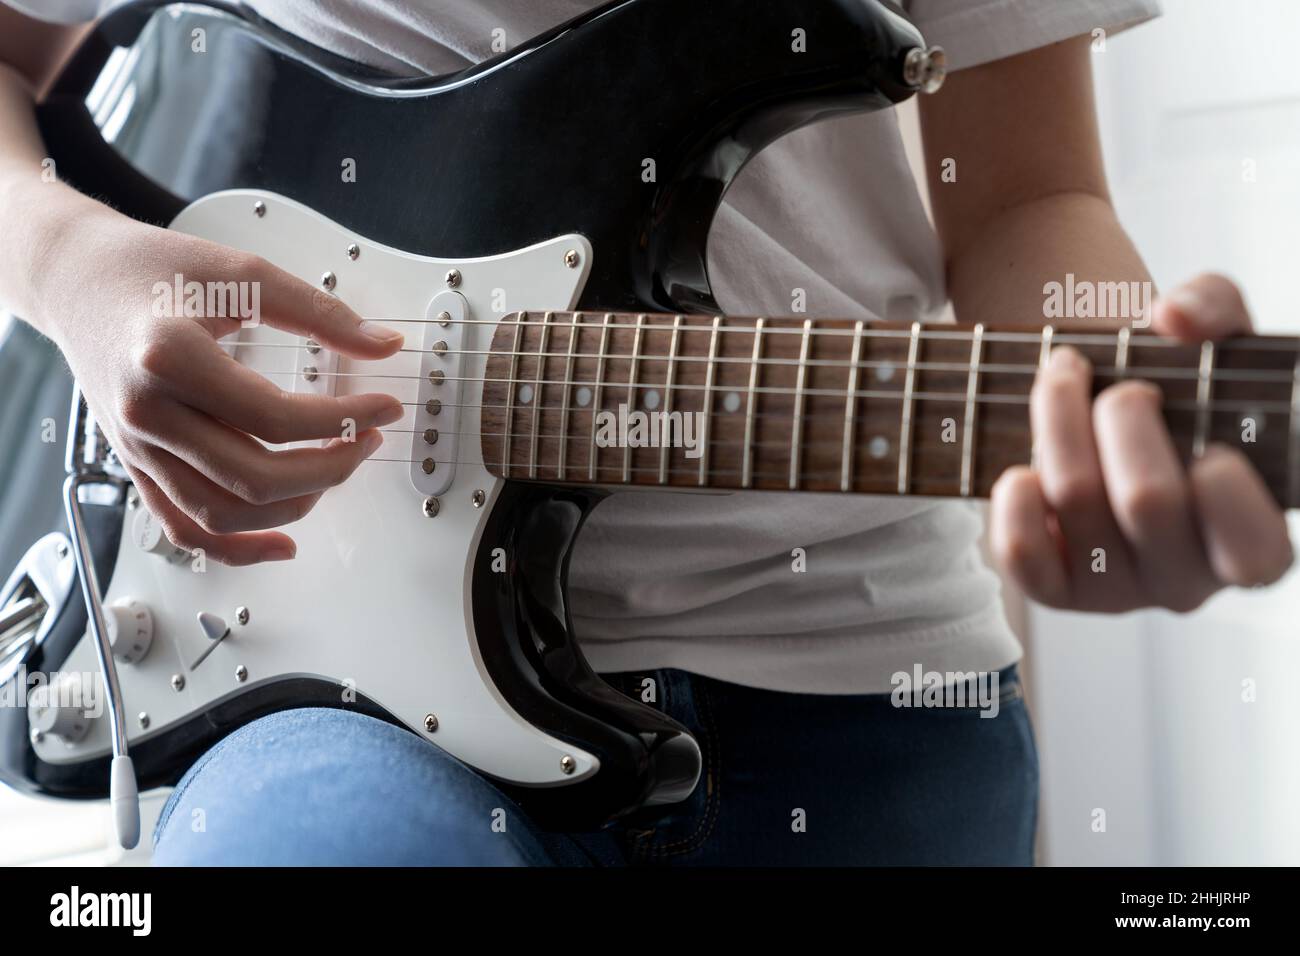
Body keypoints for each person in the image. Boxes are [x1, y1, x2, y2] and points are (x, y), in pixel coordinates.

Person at [0, 0, 1290, 865]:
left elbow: (1030, 193)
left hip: (859, 694)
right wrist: (70, 263)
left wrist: (1123, 396)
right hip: (329, 693)